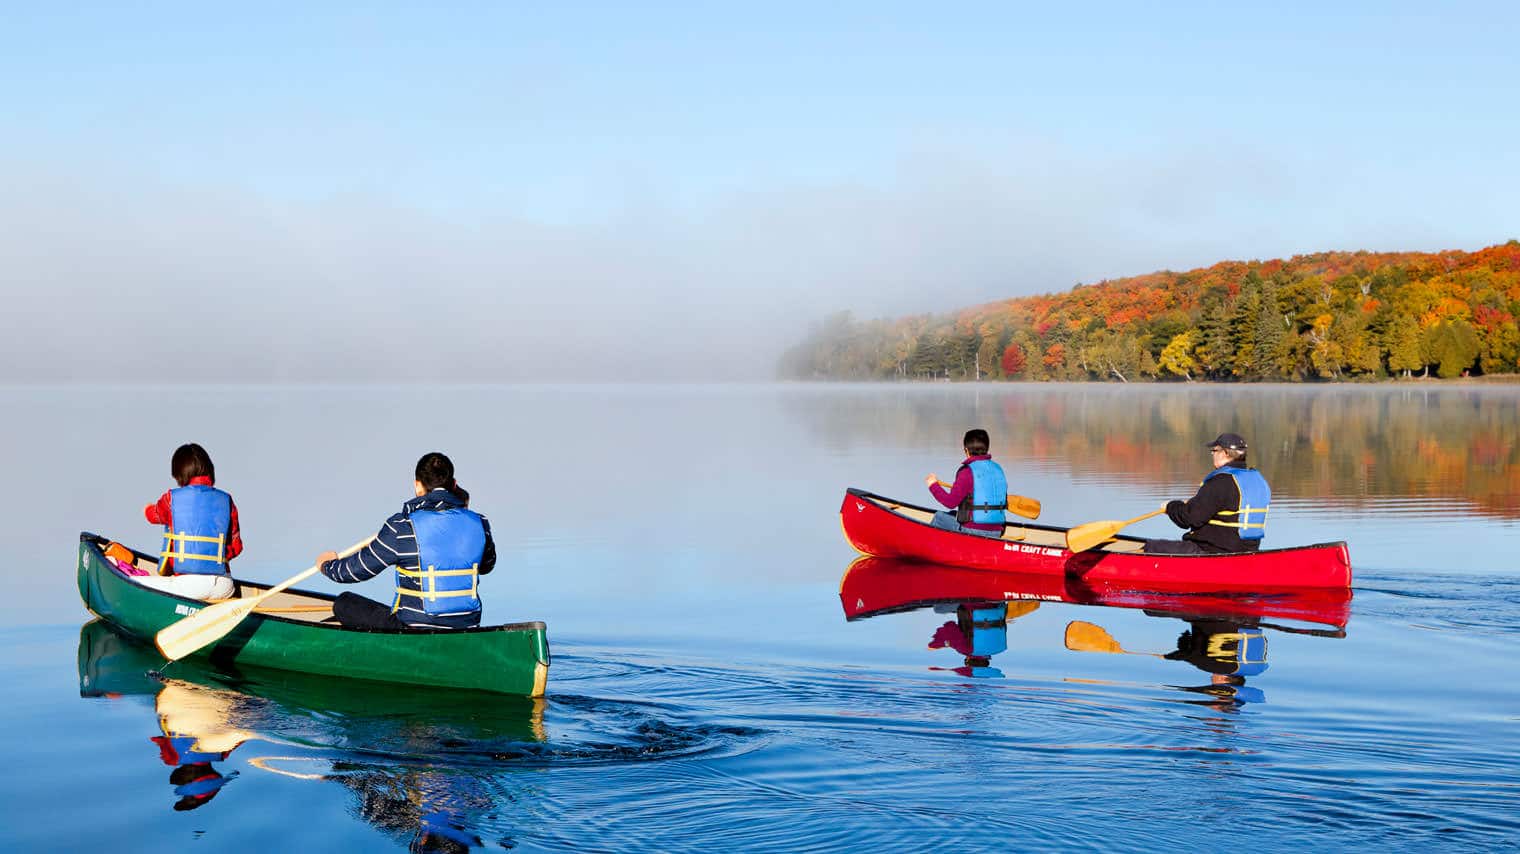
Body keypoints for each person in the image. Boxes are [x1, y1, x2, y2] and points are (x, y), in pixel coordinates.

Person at [315, 452, 496, 630]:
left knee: (344, 603)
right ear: (454, 484)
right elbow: (487, 566)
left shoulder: (401, 526)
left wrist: (327, 565)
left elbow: (353, 572)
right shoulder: (480, 522)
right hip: (467, 625)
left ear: (418, 486)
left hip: (413, 626)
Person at [138, 443, 242, 600]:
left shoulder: (171, 499)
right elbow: (236, 547)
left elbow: (153, 515)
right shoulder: (227, 501)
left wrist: (146, 508)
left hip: (189, 586)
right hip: (223, 586)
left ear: (179, 474)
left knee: (134, 582)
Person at [1144, 432, 1270, 555]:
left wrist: (1171, 507)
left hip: (1211, 551)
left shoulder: (1221, 482)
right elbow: (1221, 505)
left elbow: (1189, 518)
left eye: (1214, 451)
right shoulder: (1259, 481)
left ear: (1225, 453)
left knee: (1151, 547)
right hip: (1247, 552)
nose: (1212, 455)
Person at [924, 428, 1008, 538]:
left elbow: (950, 502)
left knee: (939, 517)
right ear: (986, 448)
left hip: (973, 530)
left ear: (966, 450)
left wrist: (933, 485)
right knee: (952, 515)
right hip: (997, 531)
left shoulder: (967, 472)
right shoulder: (998, 469)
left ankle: (927, 547)